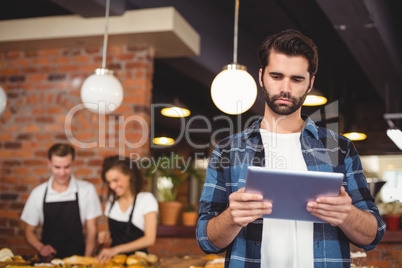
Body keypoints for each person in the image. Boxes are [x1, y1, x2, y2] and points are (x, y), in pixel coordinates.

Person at [196, 29, 386, 267]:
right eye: (276, 76)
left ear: (310, 83)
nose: (285, 88)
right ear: (261, 76)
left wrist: (347, 215)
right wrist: (231, 218)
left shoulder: (339, 149)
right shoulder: (227, 151)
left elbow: (373, 235)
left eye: (296, 79)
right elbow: (206, 239)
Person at [21, 143, 102, 259]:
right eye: (57, 167)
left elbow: (92, 229)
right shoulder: (38, 193)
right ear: (49, 163)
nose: (62, 173)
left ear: (74, 163)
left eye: (67, 167)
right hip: (48, 261)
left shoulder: (87, 190)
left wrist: (86, 260)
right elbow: (29, 230)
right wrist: (40, 247)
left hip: (78, 258)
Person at [96, 155, 158, 263]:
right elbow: (110, 232)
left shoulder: (146, 200)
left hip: (138, 262)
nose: (112, 186)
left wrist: (115, 250)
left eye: (115, 180)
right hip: (115, 262)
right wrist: (105, 233)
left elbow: (150, 239)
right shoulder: (112, 201)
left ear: (129, 175)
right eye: (109, 182)